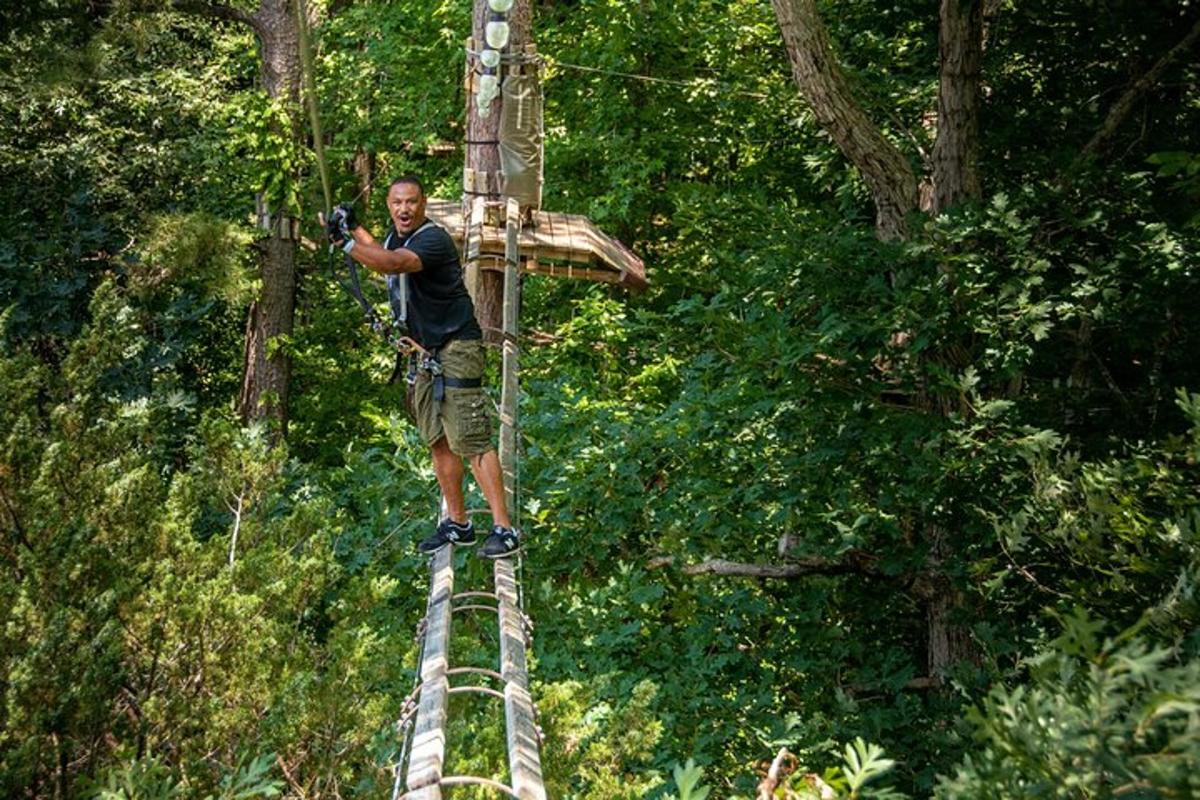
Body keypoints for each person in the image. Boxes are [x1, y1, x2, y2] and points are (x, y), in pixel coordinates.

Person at [326, 175, 520, 558]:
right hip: (425, 354)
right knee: (438, 440)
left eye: (411, 202)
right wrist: (352, 227)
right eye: (397, 202)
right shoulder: (396, 237)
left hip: (456, 347)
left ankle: (505, 529)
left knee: (471, 439)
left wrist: (345, 241)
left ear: (423, 203)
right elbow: (380, 249)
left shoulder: (431, 239)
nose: (404, 209)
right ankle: (458, 524)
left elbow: (391, 264)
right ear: (389, 204)